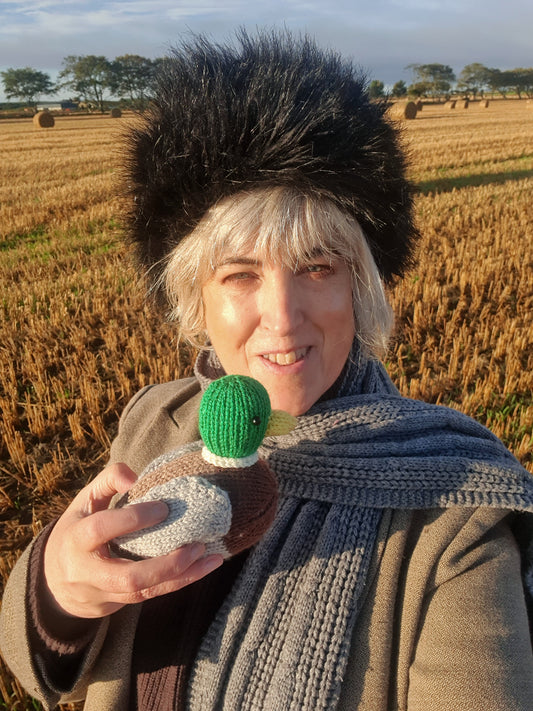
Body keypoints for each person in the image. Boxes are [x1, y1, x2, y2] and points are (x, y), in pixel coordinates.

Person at [1, 30, 533, 711]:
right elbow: (40, 663)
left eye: (316, 266)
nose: (282, 318)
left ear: (358, 287)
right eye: (240, 274)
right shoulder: (152, 425)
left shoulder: (452, 516)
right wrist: (59, 591)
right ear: (197, 298)